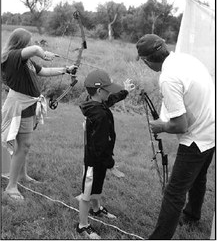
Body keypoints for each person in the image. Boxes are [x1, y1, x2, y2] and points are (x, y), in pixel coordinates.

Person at [136, 34, 215, 239]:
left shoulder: (168, 77)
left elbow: (180, 125)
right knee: (198, 177)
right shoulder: (186, 58)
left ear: (146, 60)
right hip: (212, 127)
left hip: (197, 136)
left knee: (174, 193)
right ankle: (192, 215)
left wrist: (160, 126)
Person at [1, 27, 76, 202]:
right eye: (29, 41)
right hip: (19, 106)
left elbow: (44, 71)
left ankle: (23, 175)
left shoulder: (26, 61)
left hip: (28, 105)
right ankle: (11, 187)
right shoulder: (12, 57)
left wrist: (66, 69)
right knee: (24, 145)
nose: (32, 44)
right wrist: (43, 53)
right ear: (21, 42)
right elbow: (35, 50)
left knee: (23, 144)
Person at [76, 69, 134, 239]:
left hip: (99, 159)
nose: (110, 93)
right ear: (100, 91)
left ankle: (96, 209)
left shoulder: (95, 104)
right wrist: (111, 164)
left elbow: (112, 99)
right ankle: (83, 225)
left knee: (97, 187)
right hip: (95, 160)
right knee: (87, 193)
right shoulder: (100, 114)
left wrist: (125, 91)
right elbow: (100, 146)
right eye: (108, 89)